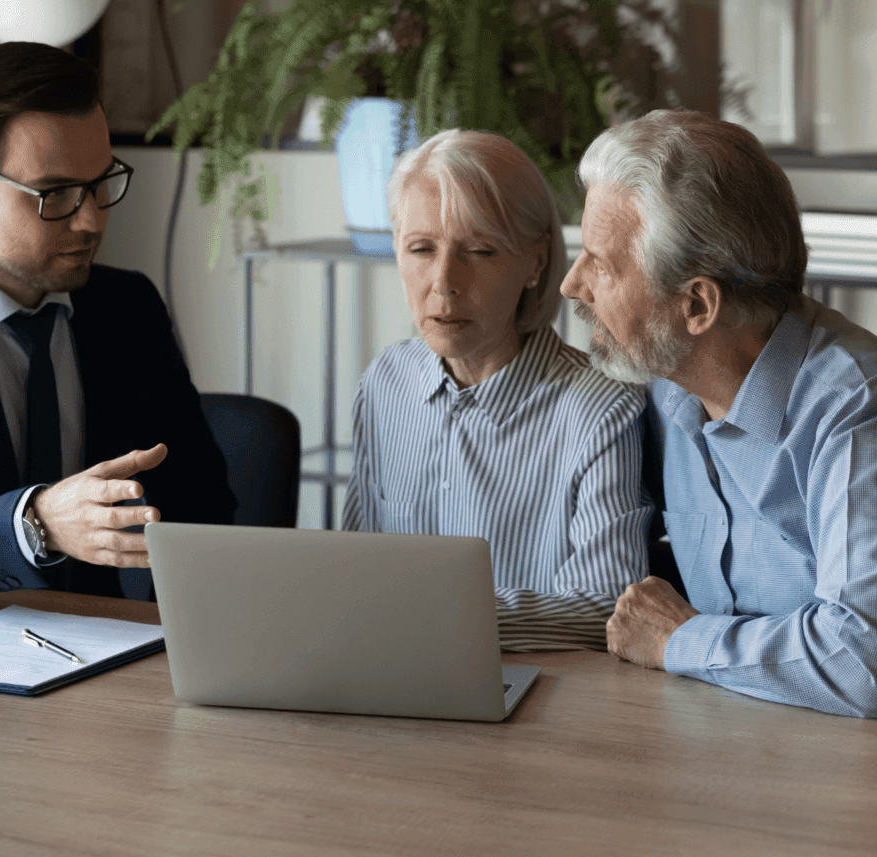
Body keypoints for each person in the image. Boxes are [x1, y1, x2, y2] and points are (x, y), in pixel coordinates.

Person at [0, 42, 235, 604]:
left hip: (107, 653)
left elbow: (204, 505)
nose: (91, 218)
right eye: (55, 194)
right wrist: (33, 522)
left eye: (100, 183)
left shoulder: (128, 307)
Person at [561, 108, 877, 718]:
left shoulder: (854, 410)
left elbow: (860, 658)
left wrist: (682, 640)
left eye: (601, 263)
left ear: (697, 305)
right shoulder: (667, 385)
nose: (574, 284)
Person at [342, 129, 651, 651]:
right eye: (420, 248)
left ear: (535, 263)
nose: (443, 282)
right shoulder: (385, 384)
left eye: (480, 251)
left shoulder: (601, 409)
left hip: (536, 698)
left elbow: (607, 605)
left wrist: (434, 619)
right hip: (386, 679)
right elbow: (352, 570)